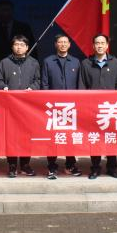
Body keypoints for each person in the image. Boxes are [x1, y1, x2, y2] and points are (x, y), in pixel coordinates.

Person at [0, 35, 40, 178]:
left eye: (22, 45)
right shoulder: (4, 62)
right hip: (10, 106)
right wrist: (4, 87)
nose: (19, 47)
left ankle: (25, 164)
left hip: (28, 106)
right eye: (16, 44)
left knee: (26, 136)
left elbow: (38, 80)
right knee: (11, 136)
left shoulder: (34, 63)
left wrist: (32, 88)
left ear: (27, 47)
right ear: (12, 46)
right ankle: (12, 165)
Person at [78, 33, 117, 179]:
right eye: (97, 43)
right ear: (93, 46)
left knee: (111, 138)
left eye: (102, 43)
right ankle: (95, 167)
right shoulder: (86, 63)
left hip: (111, 108)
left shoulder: (115, 63)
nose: (100, 46)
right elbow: (82, 86)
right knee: (95, 138)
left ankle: (112, 167)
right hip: (93, 108)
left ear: (107, 45)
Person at [41, 34, 82, 179]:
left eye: (65, 42)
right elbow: (44, 83)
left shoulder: (76, 62)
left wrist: (79, 102)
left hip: (71, 107)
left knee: (70, 136)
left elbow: (80, 84)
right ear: (56, 44)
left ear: (69, 45)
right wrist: (47, 103)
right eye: (60, 42)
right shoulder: (48, 61)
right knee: (53, 137)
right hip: (53, 106)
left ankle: (70, 164)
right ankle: (52, 165)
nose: (63, 44)